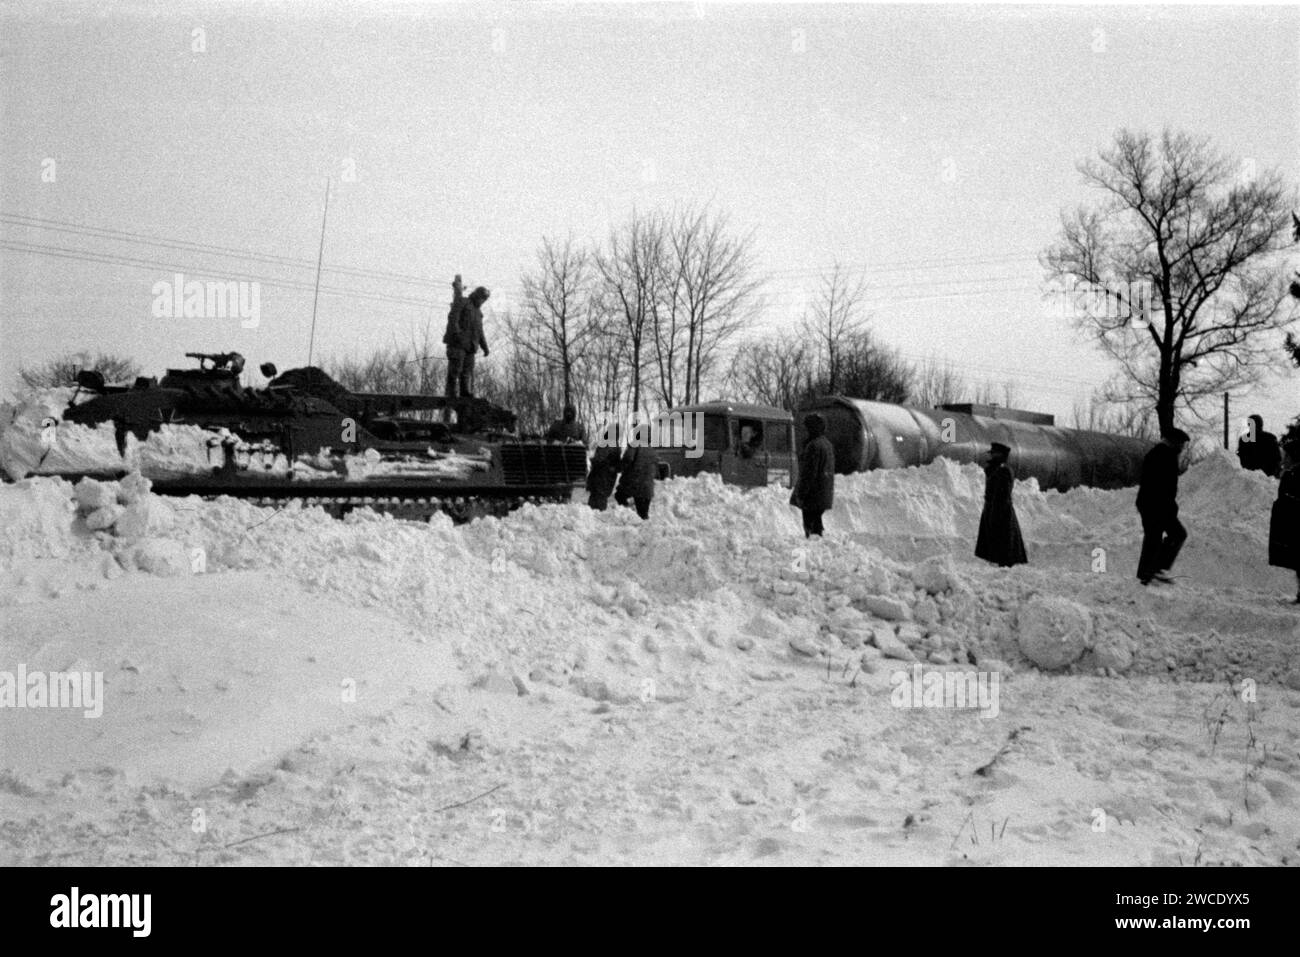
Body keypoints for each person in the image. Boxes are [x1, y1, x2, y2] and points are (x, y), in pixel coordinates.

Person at [1136, 426, 1190, 585]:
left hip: (1150, 503)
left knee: (1153, 538)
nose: (1182, 448)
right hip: (1157, 505)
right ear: (1174, 442)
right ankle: (1157, 570)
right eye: (1181, 444)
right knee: (1177, 534)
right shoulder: (1166, 456)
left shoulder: (1157, 453)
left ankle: (1147, 574)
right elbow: (1164, 487)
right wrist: (1170, 508)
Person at [974, 441, 1028, 567]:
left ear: (1001, 455)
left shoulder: (1004, 471)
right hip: (992, 507)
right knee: (996, 536)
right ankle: (997, 560)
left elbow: (1003, 495)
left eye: (994, 453)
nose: (991, 456)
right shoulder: (996, 469)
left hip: (1000, 510)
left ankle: (1004, 562)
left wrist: (996, 511)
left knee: (1003, 537)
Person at [444, 281, 490, 408]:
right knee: (455, 369)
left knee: (467, 371)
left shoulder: (478, 313)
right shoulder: (463, 302)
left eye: (484, 300)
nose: (482, 301)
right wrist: (457, 334)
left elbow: (480, 331)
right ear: (476, 295)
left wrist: (485, 347)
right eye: (481, 298)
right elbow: (453, 318)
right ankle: (451, 393)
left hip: (470, 346)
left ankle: (465, 392)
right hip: (458, 344)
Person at [790, 412, 834, 538]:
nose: (805, 430)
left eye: (807, 427)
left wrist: (800, 494)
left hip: (813, 496)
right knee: (816, 525)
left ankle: (814, 547)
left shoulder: (813, 446)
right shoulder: (827, 444)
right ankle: (819, 544)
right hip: (822, 494)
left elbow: (808, 474)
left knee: (811, 529)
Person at [1268, 439, 1300, 603]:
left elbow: (1289, 499)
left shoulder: (1292, 475)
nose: (1283, 459)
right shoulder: (1292, 474)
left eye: (1286, 456)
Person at [615, 424, 659, 520]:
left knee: (619, 496)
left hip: (634, 484)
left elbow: (628, 458)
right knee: (643, 513)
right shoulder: (652, 450)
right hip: (648, 487)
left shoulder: (634, 445)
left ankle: (627, 516)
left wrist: (619, 467)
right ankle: (641, 522)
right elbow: (656, 466)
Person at [586, 443, 622, 511]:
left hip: (601, 476)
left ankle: (596, 513)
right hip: (606, 477)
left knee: (598, 499)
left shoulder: (607, 444)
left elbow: (599, 459)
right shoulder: (615, 445)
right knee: (599, 498)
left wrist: (590, 460)